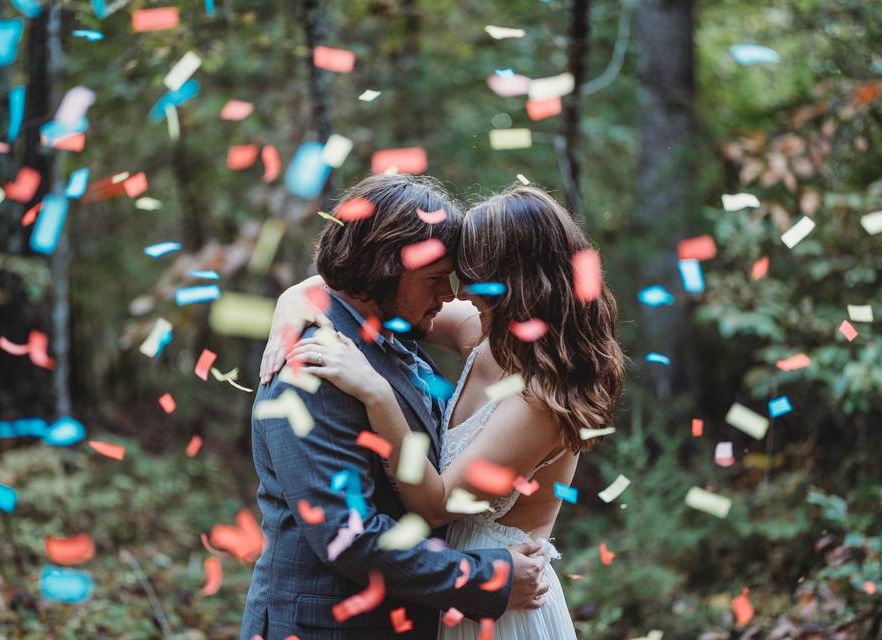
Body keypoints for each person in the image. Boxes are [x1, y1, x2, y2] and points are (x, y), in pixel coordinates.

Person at [263, 184, 624, 639]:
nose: (460, 293)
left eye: (471, 277)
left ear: (515, 284)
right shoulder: (487, 335)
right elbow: (360, 278)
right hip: (457, 597)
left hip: (506, 605)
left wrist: (378, 395)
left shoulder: (540, 399)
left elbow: (434, 505)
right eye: (451, 277)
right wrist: (292, 301)